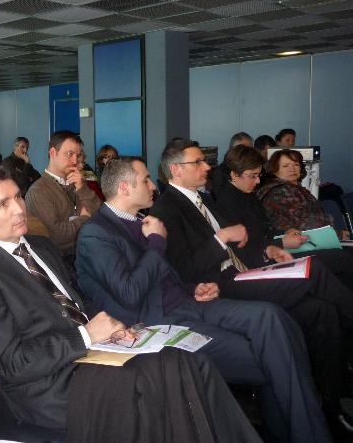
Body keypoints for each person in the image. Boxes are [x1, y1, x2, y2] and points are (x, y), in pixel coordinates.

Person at [0, 164, 261, 443]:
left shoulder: (40, 247)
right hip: (49, 386)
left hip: (94, 356)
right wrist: (86, 335)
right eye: (3, 204)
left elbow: (75, 302)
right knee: (158, 383)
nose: (19, 208)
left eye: (18, 197)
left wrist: (111, 326)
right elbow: (13, 364)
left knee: (190, 361)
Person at [77, 157, 331, 443]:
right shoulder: (97, 233)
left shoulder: (142, 222)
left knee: (272, 318)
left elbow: (162, 279)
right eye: (145, 180)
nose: (152, 185)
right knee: (275, 357)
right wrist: (157, 242)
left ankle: (294, 432)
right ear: (125, 188)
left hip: (189, 304)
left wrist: (192, 289)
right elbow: (130, 292)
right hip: (157, 322)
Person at [150, 140, 353, 425]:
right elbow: (185, 270)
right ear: (176, 169)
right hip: (220, 286)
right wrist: (221, 238)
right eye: (198, 162)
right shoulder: (166, 210)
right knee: (314, 269)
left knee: (322, 311)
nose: (207, 166)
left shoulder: (202, 200)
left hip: (244, 273)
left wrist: (268, 250)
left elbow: (243, 244)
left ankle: (330, 401)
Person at [25, 131, 101, 261]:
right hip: (61, 261)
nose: (75, 161)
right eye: (69, 154)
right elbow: (57, 237)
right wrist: (84, 219)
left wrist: (82, 189)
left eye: (78, 155)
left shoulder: (78, 183)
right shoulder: (38, 191)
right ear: (53, 153)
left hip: (88, 252)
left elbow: (100, 216)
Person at [257, 149, 343, 237]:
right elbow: (304, 223)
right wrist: (338, 234)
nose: (292, 169)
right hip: (293, 241)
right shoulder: (278, 193)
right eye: (285, 166)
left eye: (296, 165)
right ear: (275, 170)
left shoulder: (295, 188)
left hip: (309, 238)